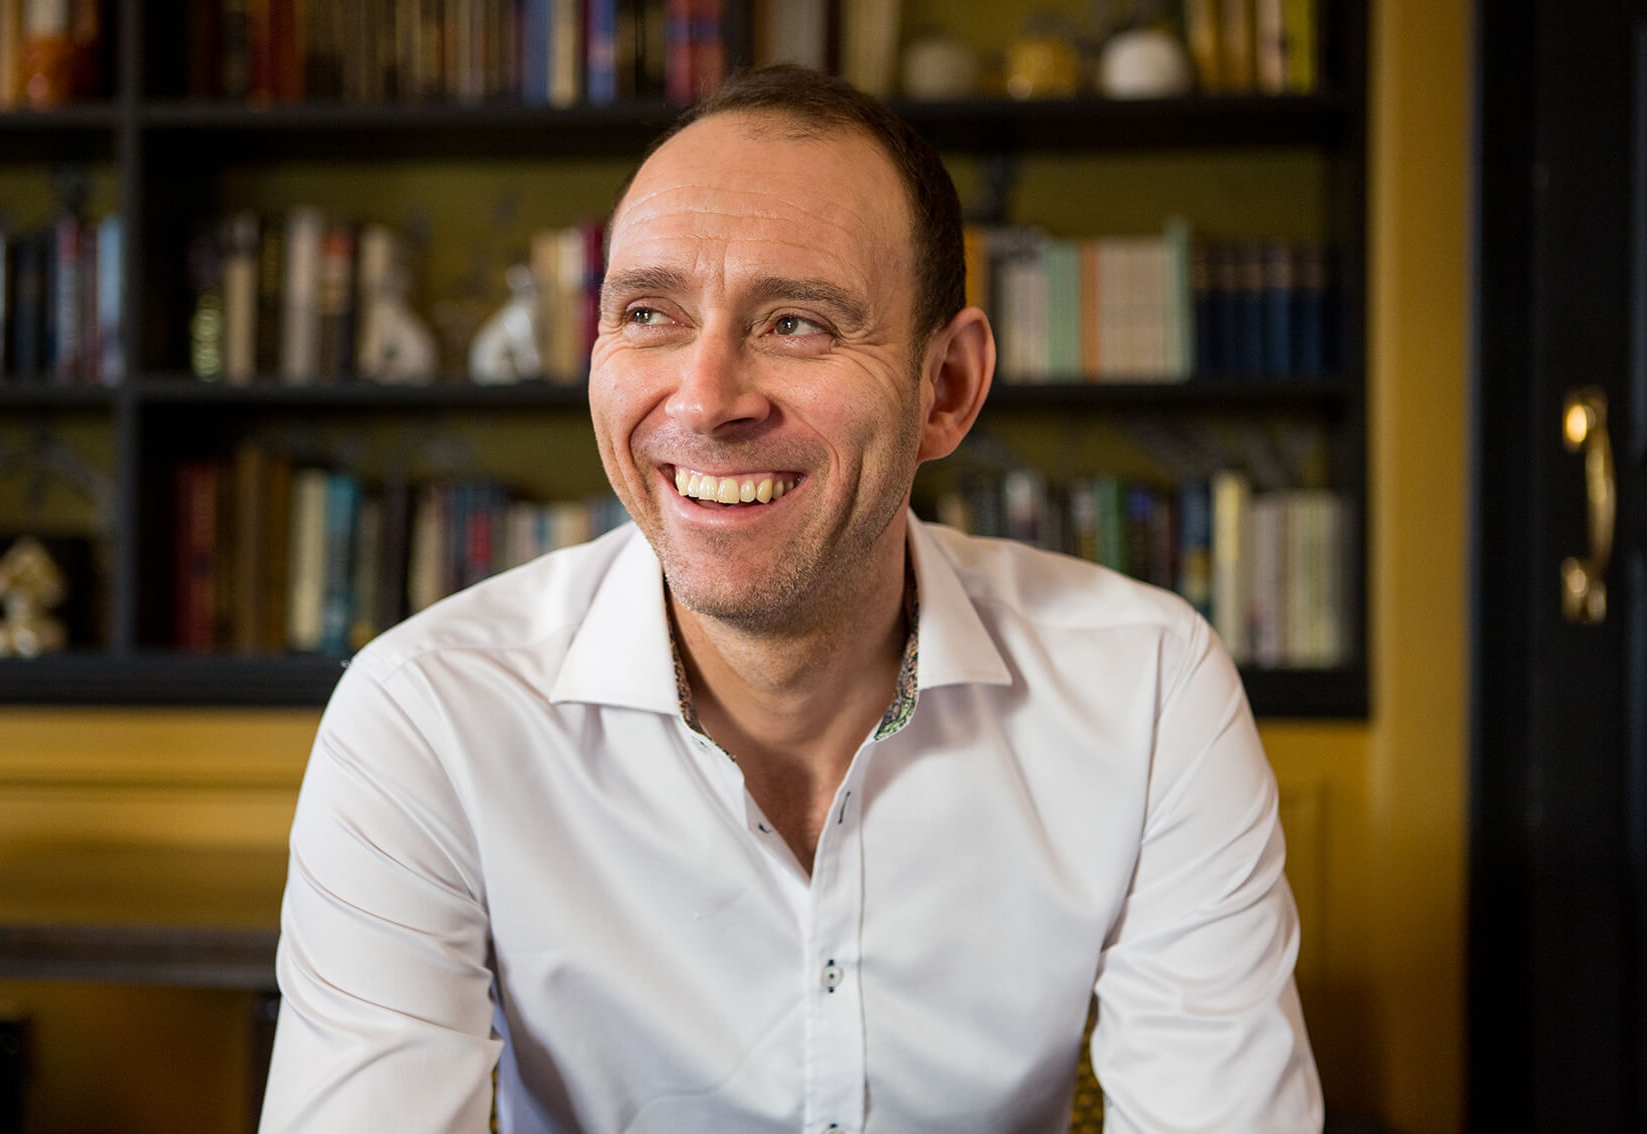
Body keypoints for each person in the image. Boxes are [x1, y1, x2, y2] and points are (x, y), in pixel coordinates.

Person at [259, 65, 1323, 1134]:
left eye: (797, 323)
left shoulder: (1143, 689)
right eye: (648, 313)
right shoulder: (427, 714)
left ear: (943, 388)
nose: (706, 398)